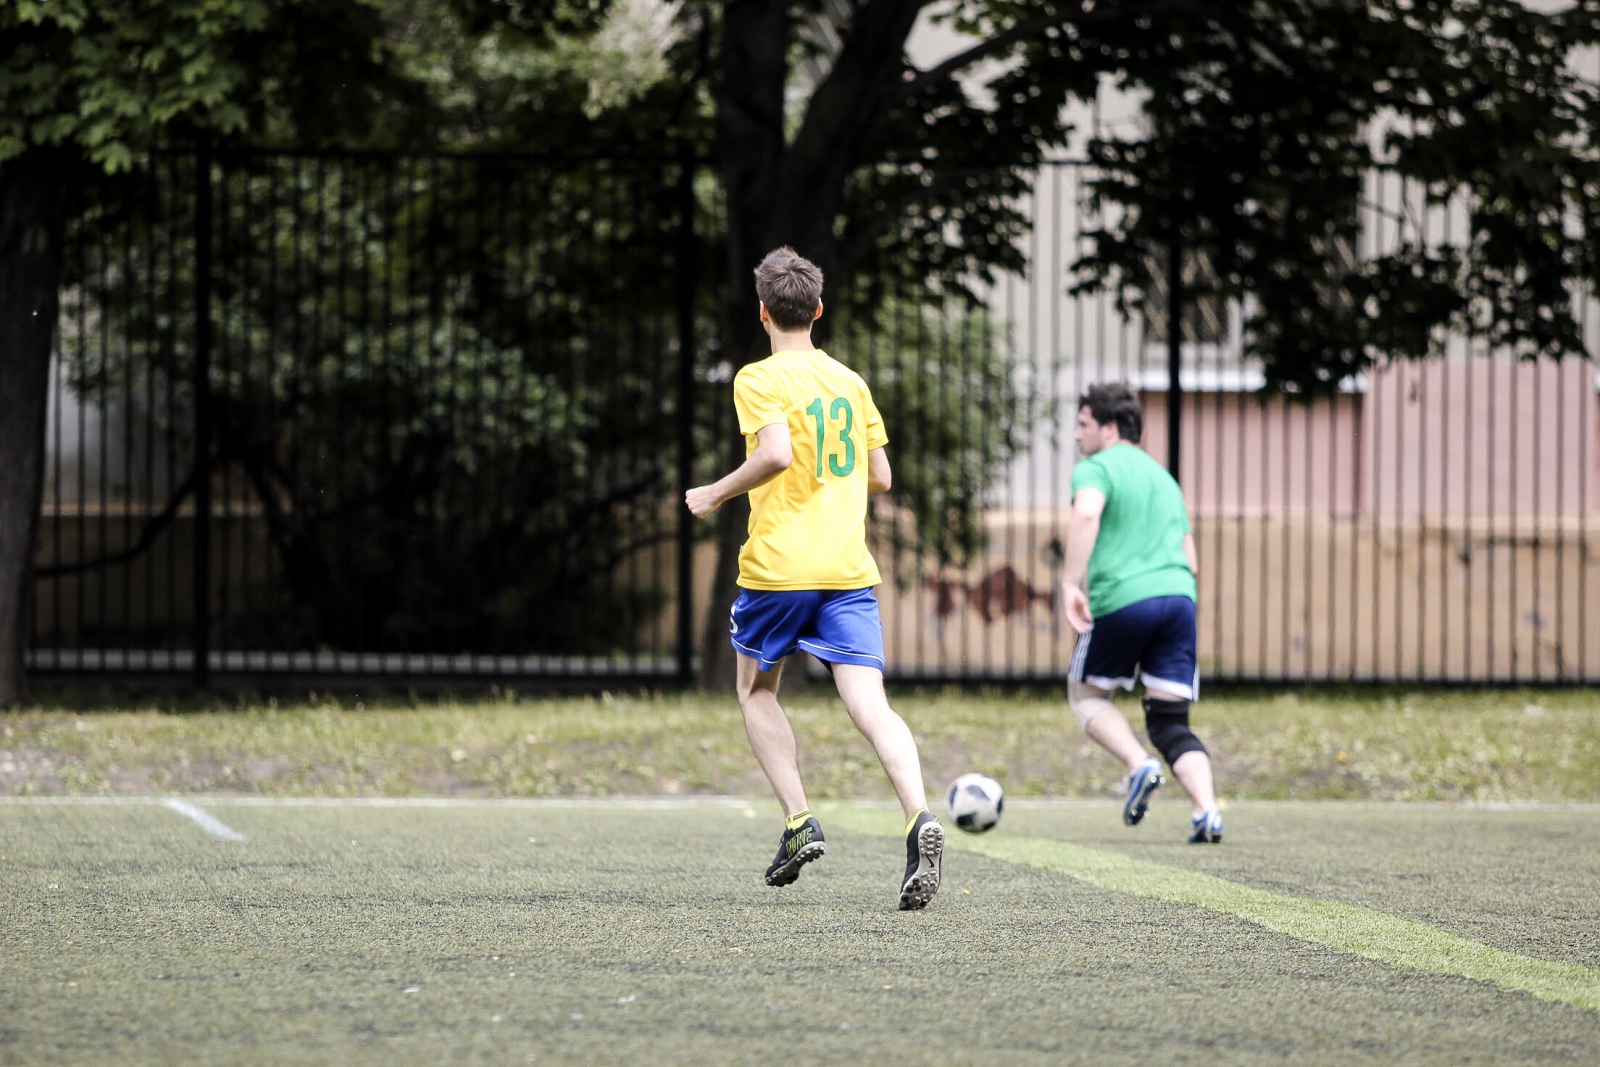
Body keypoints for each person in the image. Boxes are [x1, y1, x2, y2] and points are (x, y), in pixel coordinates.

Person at [685, 246, 944, 910]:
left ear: (764, 311)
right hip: (847, 567)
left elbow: (774, 452)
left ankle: (799, 820)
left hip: (779, 569)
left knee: (754, 688)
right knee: (869, 703)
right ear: (819, 310)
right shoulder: (850, 381)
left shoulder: (758, 377)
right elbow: (882, 476)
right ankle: (919, 816)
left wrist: (715, 492)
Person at [1059, 382, 1223, 843]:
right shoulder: (1164, 478)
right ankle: (1207, 812)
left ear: (1109, 428)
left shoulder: (1096, 468)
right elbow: (1191, 558)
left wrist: (1070, 583)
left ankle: (1138, 765)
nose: (1077, 435)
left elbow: (1087, 515)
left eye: (1083, 424)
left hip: (1125, 599)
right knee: (1170, 721)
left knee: (1087, 696)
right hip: (1179, 599)